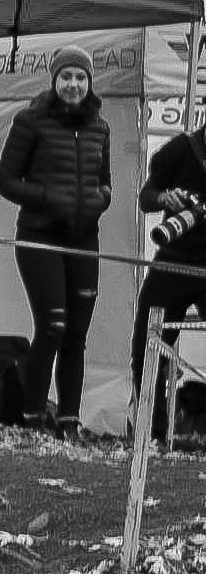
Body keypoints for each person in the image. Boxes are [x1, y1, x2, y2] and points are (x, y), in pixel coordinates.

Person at [0, 45, 111, 441]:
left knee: (77, 331)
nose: (73, 84)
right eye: (66, 76)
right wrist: (49, 198)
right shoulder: (30, 121)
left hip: (84, 239)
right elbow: (5, 181)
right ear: (54, 80)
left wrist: (101, 200)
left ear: (89, 82)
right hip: (40, 236)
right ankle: (30, 418)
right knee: (53, 326)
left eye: (80, 77)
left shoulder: (100, 126)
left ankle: (69, 421)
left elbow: (105, 182)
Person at [130, 124, 206, 444]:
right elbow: (146, 198)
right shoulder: (180, 149)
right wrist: (165, 197)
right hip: (174, 260)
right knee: (147, 343)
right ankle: (153, 432)